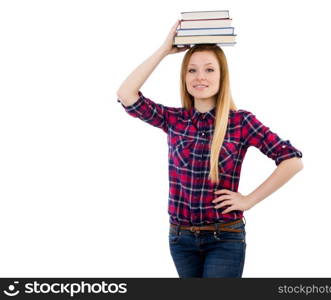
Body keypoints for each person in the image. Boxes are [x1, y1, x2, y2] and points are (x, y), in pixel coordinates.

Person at [116, 20, 304, 278]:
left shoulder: (240, 122)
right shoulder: (174, 120)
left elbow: (292, 161)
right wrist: (164, 50)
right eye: (192, 70)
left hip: (224, 237)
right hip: (181, 239)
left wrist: (248, 200)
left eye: (209, 70)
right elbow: (126, 94)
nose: (200, 77)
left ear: (222, 76)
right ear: (184, 77)